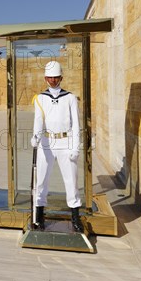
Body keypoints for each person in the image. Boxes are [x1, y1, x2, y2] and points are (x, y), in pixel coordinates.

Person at [30, 61, 83, 233]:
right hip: (46, 143)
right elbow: (39, 120)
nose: (53, 80)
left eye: (56, 77)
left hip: (66, 142)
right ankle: (39, 215)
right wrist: (35, 136)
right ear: (46, 78)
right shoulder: (40, 98)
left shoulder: (70, 97)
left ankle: (75, 217)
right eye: (50, 77)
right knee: (41, 181)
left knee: (71, 181)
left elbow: (76, 124)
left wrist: (76, 147)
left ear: (61, 77)